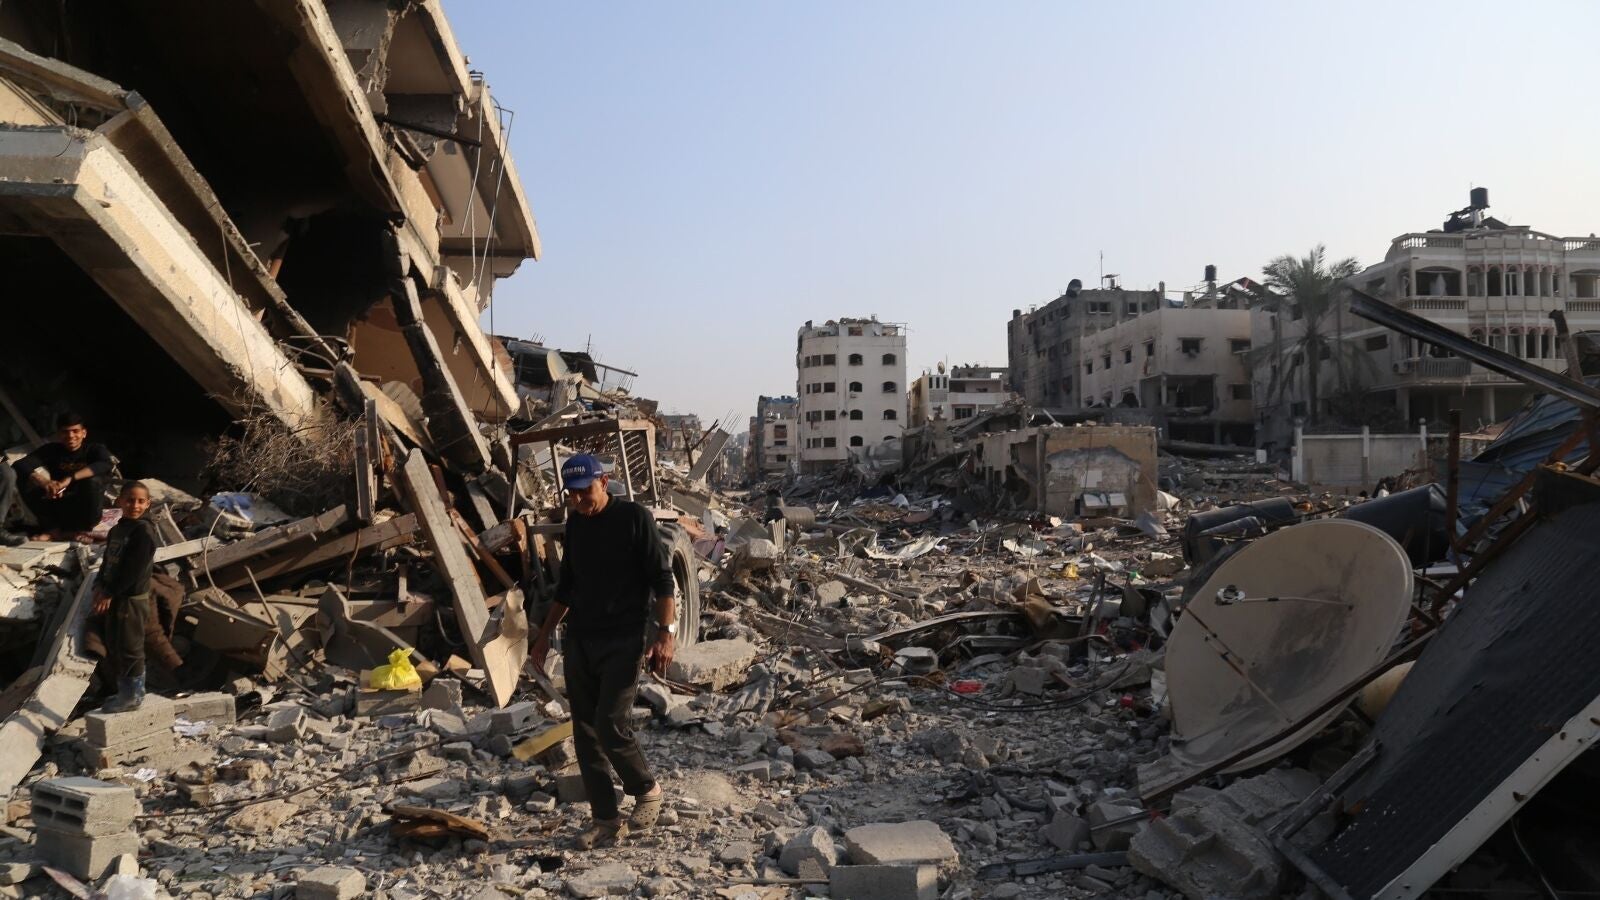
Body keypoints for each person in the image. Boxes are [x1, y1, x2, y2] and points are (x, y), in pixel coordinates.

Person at [529, 453, 676, 849]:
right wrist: (544, 636)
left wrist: (665, 633)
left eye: (585, 491)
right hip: (581, 638)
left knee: (611, 723)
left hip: (624, 638)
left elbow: (662, 579)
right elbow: (567, 587)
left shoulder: (634, 519)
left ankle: (646, 789)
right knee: (585, 731)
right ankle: (605, 819)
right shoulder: (576, 524)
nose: (578, 501)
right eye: (571, 495)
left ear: (605, 482)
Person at [94, 481, 157, 712]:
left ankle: (133, 696)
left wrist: (109, 593)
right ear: (119, 501)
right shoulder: (118, 530)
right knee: (116, 643)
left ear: (148, 504)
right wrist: (99, 585)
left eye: (140, 501)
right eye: (130, 500)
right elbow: (108, 563)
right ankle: (124, 692)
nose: (135, 505)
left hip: (131, 600)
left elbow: (133, 570)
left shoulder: (143, 532)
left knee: (131, 647)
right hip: (116, 596)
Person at [13, 412, 113, 540]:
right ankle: (53, 530)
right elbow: (20, 464)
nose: (70, 436)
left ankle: (82, 531)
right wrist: (44, 482)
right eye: (65, 432)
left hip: (85, 510)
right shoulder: (51, 450)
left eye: (75, 431)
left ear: (84, 433)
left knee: (93, 480)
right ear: (58, 434)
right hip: (58, 503)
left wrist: (70, 478)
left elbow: (105, 464)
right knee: (24, 477)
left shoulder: (94, 449)